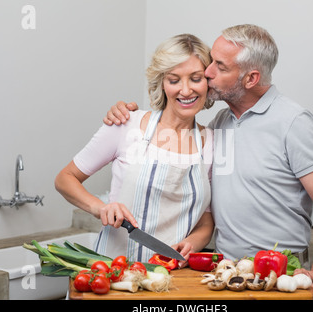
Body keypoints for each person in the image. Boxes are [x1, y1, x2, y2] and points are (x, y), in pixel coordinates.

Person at [103, 24, 313, 298]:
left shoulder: (293, 122)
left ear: (251, 78)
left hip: (281, 272)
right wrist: (128, 116)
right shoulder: (220, 123)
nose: (207, 72)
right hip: (227, 270)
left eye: (220, 66)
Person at [55, 34, 215, 263]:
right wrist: (100, 208)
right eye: (174, 80)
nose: (186, 90)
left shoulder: (210, 143)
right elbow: (64, 178)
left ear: (208, 82)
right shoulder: (126, 124)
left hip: (169, 276)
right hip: (112, 271)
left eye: (196, 78)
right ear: (162, 83)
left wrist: (191, 244)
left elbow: (205, 222)